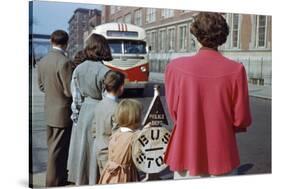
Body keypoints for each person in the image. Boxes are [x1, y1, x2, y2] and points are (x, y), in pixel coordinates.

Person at [164, 12, 252, 179]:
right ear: (222, 37)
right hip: (222, 154)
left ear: (196, 35)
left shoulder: (175, 67)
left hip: (186, 152)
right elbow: (241, 119)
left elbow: (175, 113)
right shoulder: (236, 69)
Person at [67, 33, 112, 185]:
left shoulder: (78, 69)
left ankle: (82, 180)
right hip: (98, 112)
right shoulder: (105, 72)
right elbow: (108, 100)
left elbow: (76, 98)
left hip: (84, 111)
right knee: (96, 151)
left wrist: (77, 117)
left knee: (82, 151)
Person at [37, 30, 73, 186]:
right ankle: (52, 183)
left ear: (51, 41)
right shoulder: (64, 62)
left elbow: (41, 86)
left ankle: (59, 179)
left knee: (54, 148)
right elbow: (69, 90)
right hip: (62, 113)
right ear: (66, 43)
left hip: (49, 111)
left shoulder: (43, 61)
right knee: (57, 151)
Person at [98, 99, 142, 184]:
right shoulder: (133, 137)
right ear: (135, 118)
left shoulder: (116, 133)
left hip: (109, 173)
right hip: (124, 175)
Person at [92, 70, 125, 175]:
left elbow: (93, 129)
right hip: (111, 154)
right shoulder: (117, 108)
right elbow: (117, 136)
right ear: (121, 87)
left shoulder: (99, 104)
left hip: (99, 149)